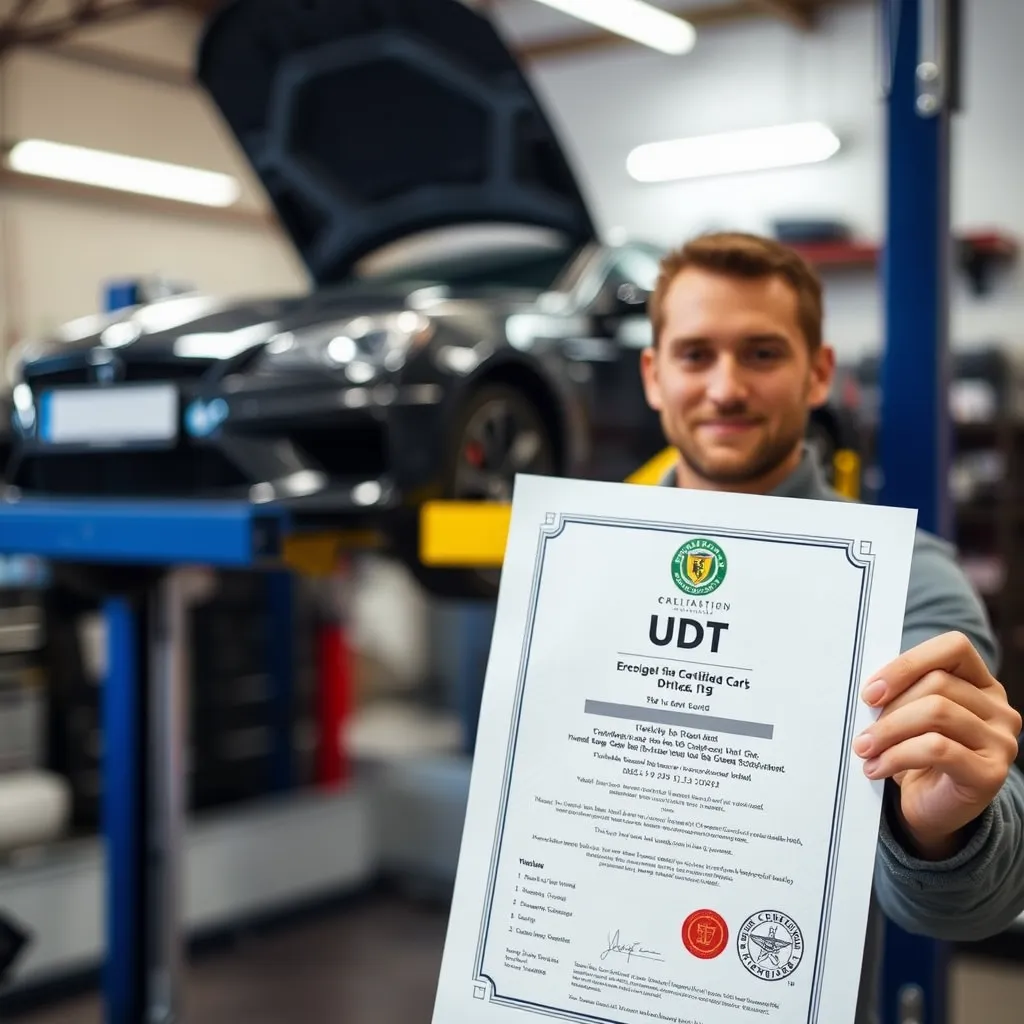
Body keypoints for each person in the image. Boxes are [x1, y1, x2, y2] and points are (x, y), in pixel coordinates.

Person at [638, 231, 1024, 1024]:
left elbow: (970, 905)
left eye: (762, 353)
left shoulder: (906, 578)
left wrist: (940, 830)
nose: (725, 387)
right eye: (695, 355)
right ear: (653, 375)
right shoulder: (578, 565)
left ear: (819, 372)